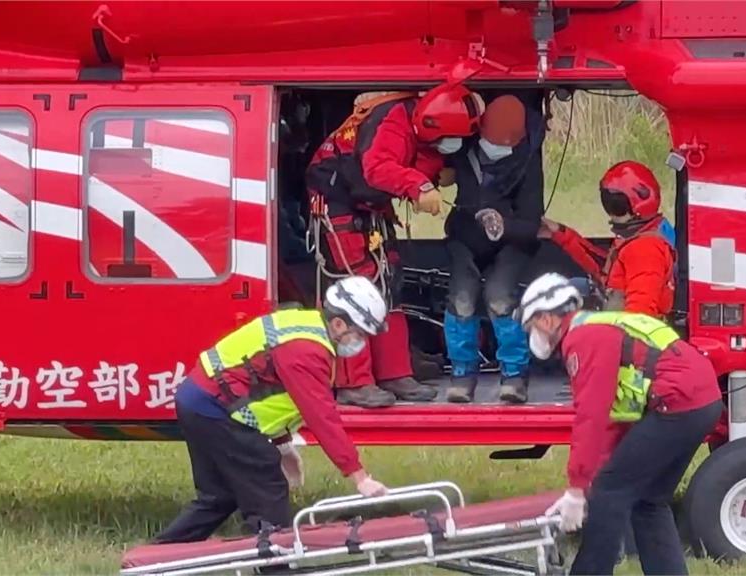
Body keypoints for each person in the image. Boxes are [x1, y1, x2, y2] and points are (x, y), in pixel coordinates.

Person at [153, 276, 392, 544]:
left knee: (219, 496)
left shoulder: (304, 327)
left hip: (200, 401)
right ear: (338, 323)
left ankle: (152, 561)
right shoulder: (307, 351)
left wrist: (284, 444)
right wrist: (359, 477)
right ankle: (274, 562)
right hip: (214, 408)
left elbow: (265, 392)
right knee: (267, 489)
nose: (360, 343)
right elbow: (321, 416)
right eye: (359, 334)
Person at [515, 273, 721, 575]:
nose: (532, 332)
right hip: (699, 401)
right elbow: (615, 419)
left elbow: (592, 414)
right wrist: (585, 482)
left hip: (678, 403)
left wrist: (577, 488)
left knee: (610, 491)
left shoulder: (582, 338)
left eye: (531, 324)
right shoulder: (600, 326)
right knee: (648, 501)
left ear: (546, 319)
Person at [306, 83, 484, 408]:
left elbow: (420, 157)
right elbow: (378, 169)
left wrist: (433, 173)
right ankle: (354, 382)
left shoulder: (422, 127)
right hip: (337, 206)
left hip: (369, 208)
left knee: (389, 283)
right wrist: (420, 186)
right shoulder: (391, 121)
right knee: (355, 290)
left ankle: (395, 372)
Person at [442, 93, 546, 404]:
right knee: (461, 299)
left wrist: (504, 225)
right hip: (465, 236)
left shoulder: (528, 163)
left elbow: (532, 223)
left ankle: (514, 376)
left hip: (512, 242)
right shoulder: (462, 145)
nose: (493, 149)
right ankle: (462, 374)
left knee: (500, 298)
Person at [540, 161, 676, 318]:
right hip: (615, 319)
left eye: (616, 205)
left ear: (635, 208)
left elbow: (639, 317)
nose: (612, 214)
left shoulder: (645, 249)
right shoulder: (635, 237)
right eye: (607, 202)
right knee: (570, 287)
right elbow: (604, 269)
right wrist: (559, 233)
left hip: (624, 332)